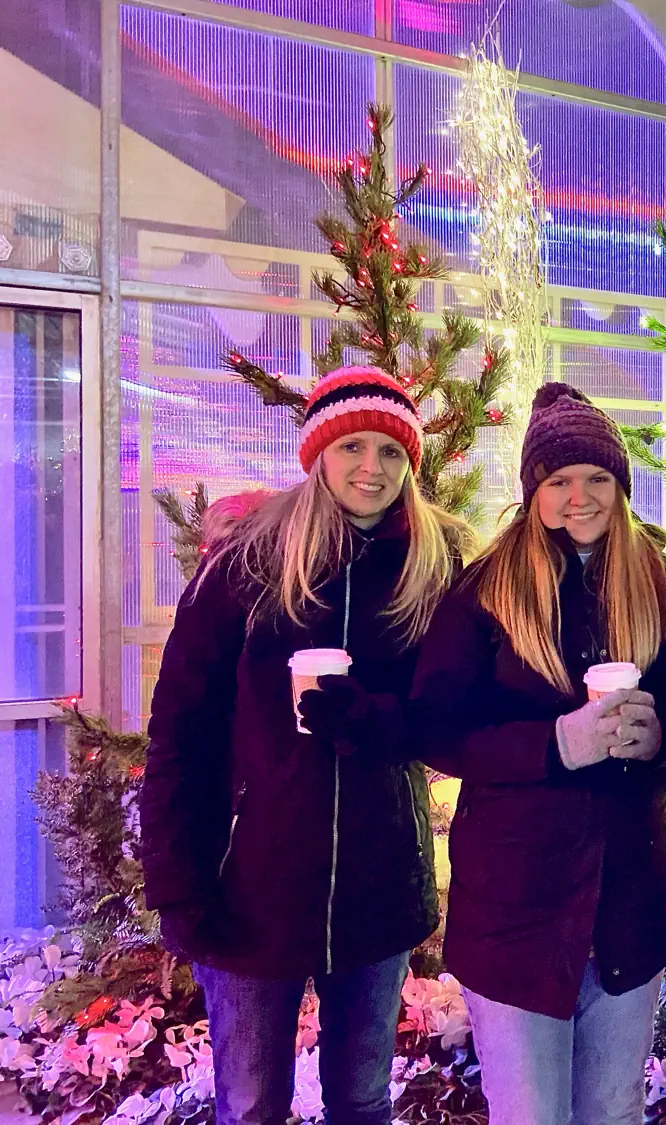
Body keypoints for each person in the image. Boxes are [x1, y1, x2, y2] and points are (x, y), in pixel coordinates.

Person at [141, 365, 473, 1125]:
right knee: (254, 1102)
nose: (372, 468)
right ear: (317, 453)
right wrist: (177, 885)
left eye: (391, 453)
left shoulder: (432, 568)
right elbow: (180, 735)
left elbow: (454, 718)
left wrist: (380, 720)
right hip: (250, 884)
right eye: (351, 446)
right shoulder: (248, 565)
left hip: (378, 886)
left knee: (360, 1100)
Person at [407, 382, 666, 1125]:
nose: (580, 496)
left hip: (627, 906)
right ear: (534, 490)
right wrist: (552, 744)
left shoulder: (660, 581)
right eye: (560, 480)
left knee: (612, 1109)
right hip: (515, 910)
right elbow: (436, 728)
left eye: (598, 478)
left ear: (621, 487)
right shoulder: (486, 590)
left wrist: (659, 738)